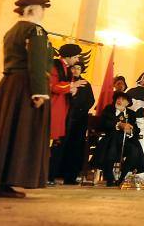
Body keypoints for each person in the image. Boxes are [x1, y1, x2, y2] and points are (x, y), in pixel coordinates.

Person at [0, 0, 52, 198]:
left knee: (6, 132)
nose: (43, 13)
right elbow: (37, 62)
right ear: (34, 10)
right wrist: (39, 91)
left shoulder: (11, 32)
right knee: (22, 133)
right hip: (25, 85)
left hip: (9, 85)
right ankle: (9, 178)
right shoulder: (35, 30)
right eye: (42, 9)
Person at [91, 92, 144, 186]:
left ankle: (122, 178)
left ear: (127, 103)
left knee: (134, 150)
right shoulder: (109, 109)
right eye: (118, 98)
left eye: (123, 99)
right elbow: (103, 123)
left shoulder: (131, 114)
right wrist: (119, 124)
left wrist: (130, 131)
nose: (119, 100)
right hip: (110, 141)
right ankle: (109, 178)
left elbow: (136, 129)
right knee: (111, 148)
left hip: (126, 142)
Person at [48, 43, 85, 184]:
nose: (77, 60)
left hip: (63, 109)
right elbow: (52, 85)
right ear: (68, 56)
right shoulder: (54, 65)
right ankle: (46, 175)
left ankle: (50, 176)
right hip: (54, 107)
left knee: (56, 145)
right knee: (51, 144)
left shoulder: (67, 68)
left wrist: (72, 89)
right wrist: (72, 86)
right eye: (75, 56)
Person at [59, 61, 94, 184]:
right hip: (65, 118)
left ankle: (71, 176)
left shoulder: (86, 84)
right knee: (62, 145)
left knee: (76, 147)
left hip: (79, 119)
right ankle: (56, 174)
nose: (75, 70)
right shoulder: (65, 82)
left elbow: (91, 101)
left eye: (78, 68)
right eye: (73, 68)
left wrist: (79, 109)